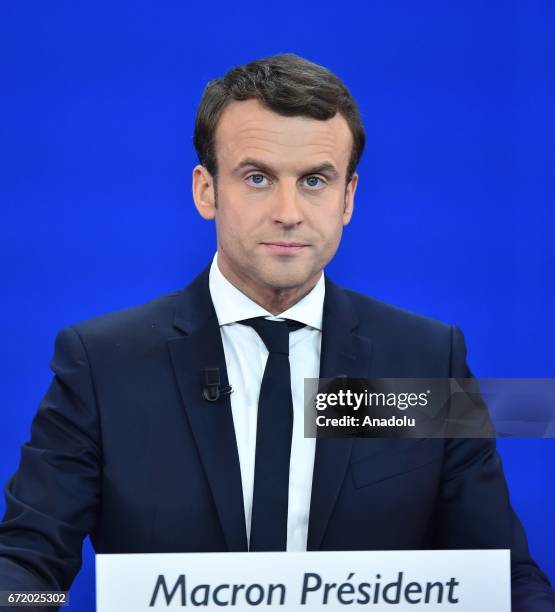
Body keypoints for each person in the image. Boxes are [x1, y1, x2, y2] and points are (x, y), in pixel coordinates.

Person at [0, 54, 554, 611]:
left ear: (348, 198)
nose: (288, 212)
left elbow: (501, 576)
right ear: (206, 191)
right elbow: (30, 567)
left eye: (315, 180)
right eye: (258, 177)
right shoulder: (104, 366)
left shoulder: (423, 360)